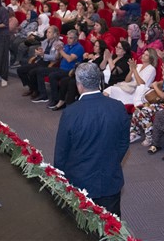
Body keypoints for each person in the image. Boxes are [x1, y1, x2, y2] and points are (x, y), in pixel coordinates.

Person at [54, 63, 130, 217]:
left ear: (79, 84)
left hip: (79, 183)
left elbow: (61, 153)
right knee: (111, 229)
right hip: (110, 181)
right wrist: (111, 162)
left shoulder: (71, 112)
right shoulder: (118, 107)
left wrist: (60, 180)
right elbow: (123, 144)